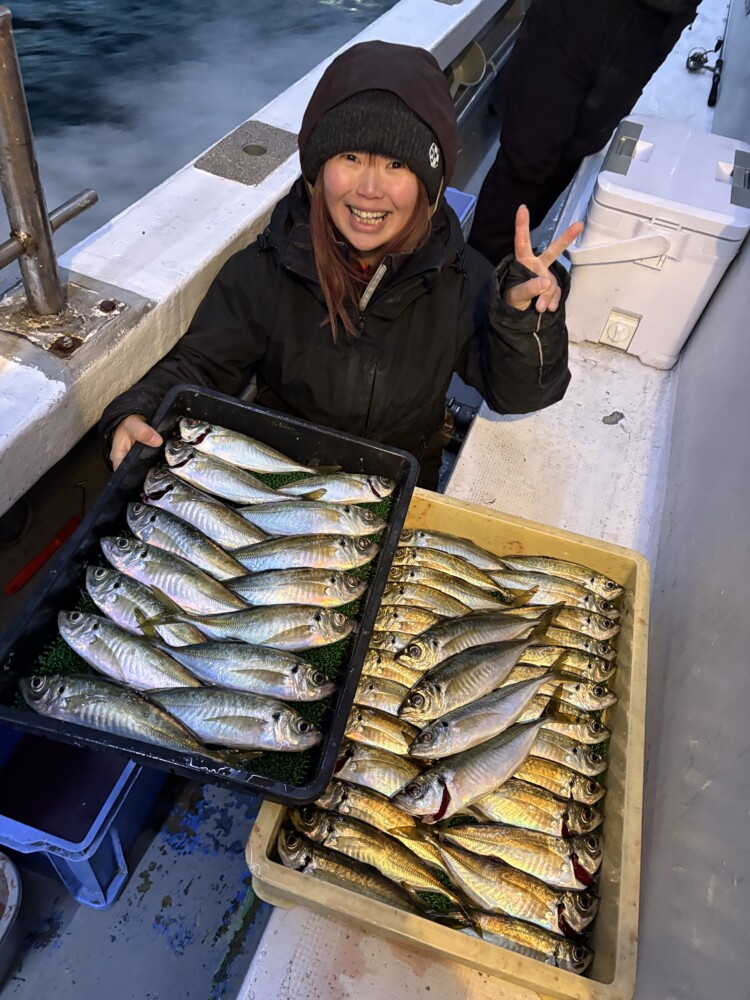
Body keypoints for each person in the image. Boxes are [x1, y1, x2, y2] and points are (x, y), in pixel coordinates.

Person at [100, 40, 582, 490]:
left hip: (398, 484)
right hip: (276, 481)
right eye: (350, 157)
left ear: (429, 185)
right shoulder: (266, 268)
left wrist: (522, 320)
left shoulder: (462, 280)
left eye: (396, 165)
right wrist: (136, 411)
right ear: (316, 170)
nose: (369, 189)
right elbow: (201, 364)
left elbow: (520, 395)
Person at [468, 0, 701, 265]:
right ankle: (479, 273)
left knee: (581, 147)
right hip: (574, 13)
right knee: (527, 155)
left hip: (652, 28)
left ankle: (512, 259)